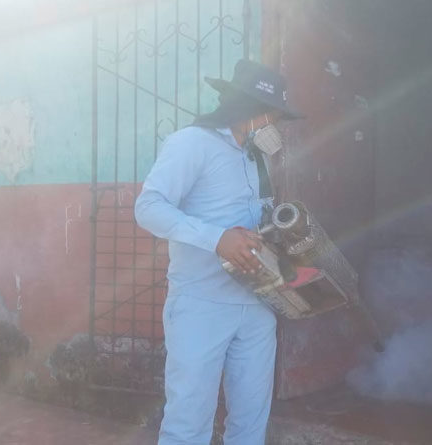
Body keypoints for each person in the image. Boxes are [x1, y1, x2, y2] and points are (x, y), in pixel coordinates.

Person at [134, 59, 302, 445]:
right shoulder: (191, 143)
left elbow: (251, 219)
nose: (274, 125)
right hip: (201, 305)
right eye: (273, 115)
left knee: (250, 422)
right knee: (188, 422)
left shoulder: (255, 156)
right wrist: (217, 238)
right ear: (248, 107)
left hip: (258, 303)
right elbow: (149, 208)